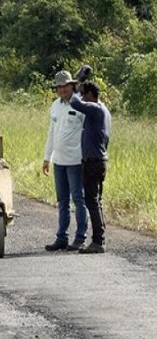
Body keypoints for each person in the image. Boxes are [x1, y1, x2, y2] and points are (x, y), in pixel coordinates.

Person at [42, 70, 88, 252]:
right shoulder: (55, 106)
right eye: (59, 87)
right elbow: (51, 133)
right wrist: (47, 157)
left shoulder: (80, 104)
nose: (62, 90)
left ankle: (80, 237)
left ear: (72, 86)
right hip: (59, 160)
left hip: (76, 160)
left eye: (65, 86)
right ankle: (62, 237)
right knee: (62, 201)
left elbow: (88, 131)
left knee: (78, 199)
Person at [70, 80, 112, 254]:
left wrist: (77, 84)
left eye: (83, 94)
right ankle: (99, 238)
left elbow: (74, 102)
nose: (82, 97)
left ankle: (97, 241)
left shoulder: (95, 109)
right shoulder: (103, 112)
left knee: (91, 201)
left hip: (93, 162)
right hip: (99, 160)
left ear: (89, 95)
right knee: (96, 201)